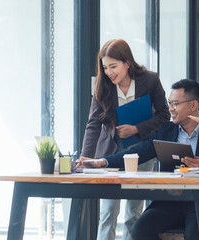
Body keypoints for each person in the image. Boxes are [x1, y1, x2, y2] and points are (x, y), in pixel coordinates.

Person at [77, 79, 199, 240]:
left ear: (193, 105)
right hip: (170, 202)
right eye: (169, 103)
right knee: (139, 230)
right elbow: (138, 152)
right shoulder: (165, 131)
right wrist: (103, 161)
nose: (170, 109)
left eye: (175, 104)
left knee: (195, 233)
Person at [80, 39, 170, 240]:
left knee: (134, 210)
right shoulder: (101, 85)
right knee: (108, 211)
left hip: (141, 150)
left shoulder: (150, 80)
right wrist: (85, 156)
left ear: (127, 63)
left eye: (114, 66)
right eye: (105, 67)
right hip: (110, 151)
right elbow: (93, 123)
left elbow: (164, 115)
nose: (109, 72)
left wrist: (136, 128)